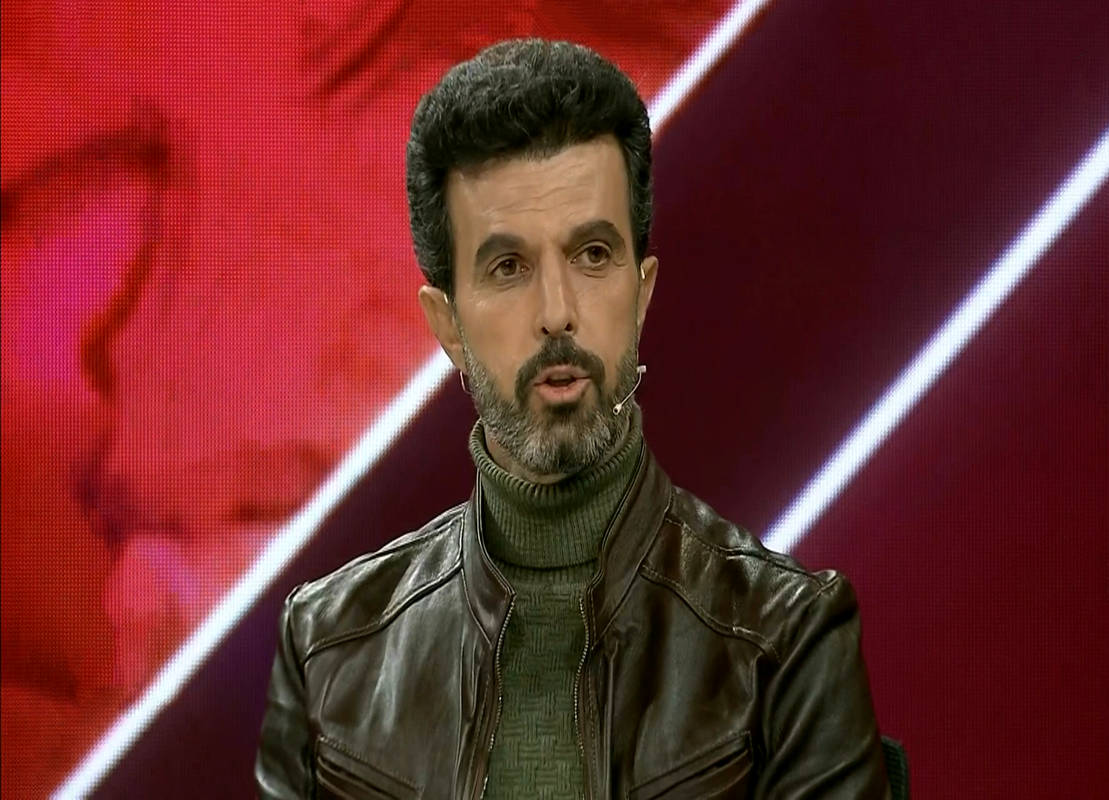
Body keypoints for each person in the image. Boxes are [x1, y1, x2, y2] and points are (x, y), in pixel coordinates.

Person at [256, 38, 891, 798]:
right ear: (447, 324)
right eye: (508, 267)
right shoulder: (328, 651)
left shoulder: (785, 642)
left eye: (592, 254)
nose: (557, 312)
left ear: (642, 292)